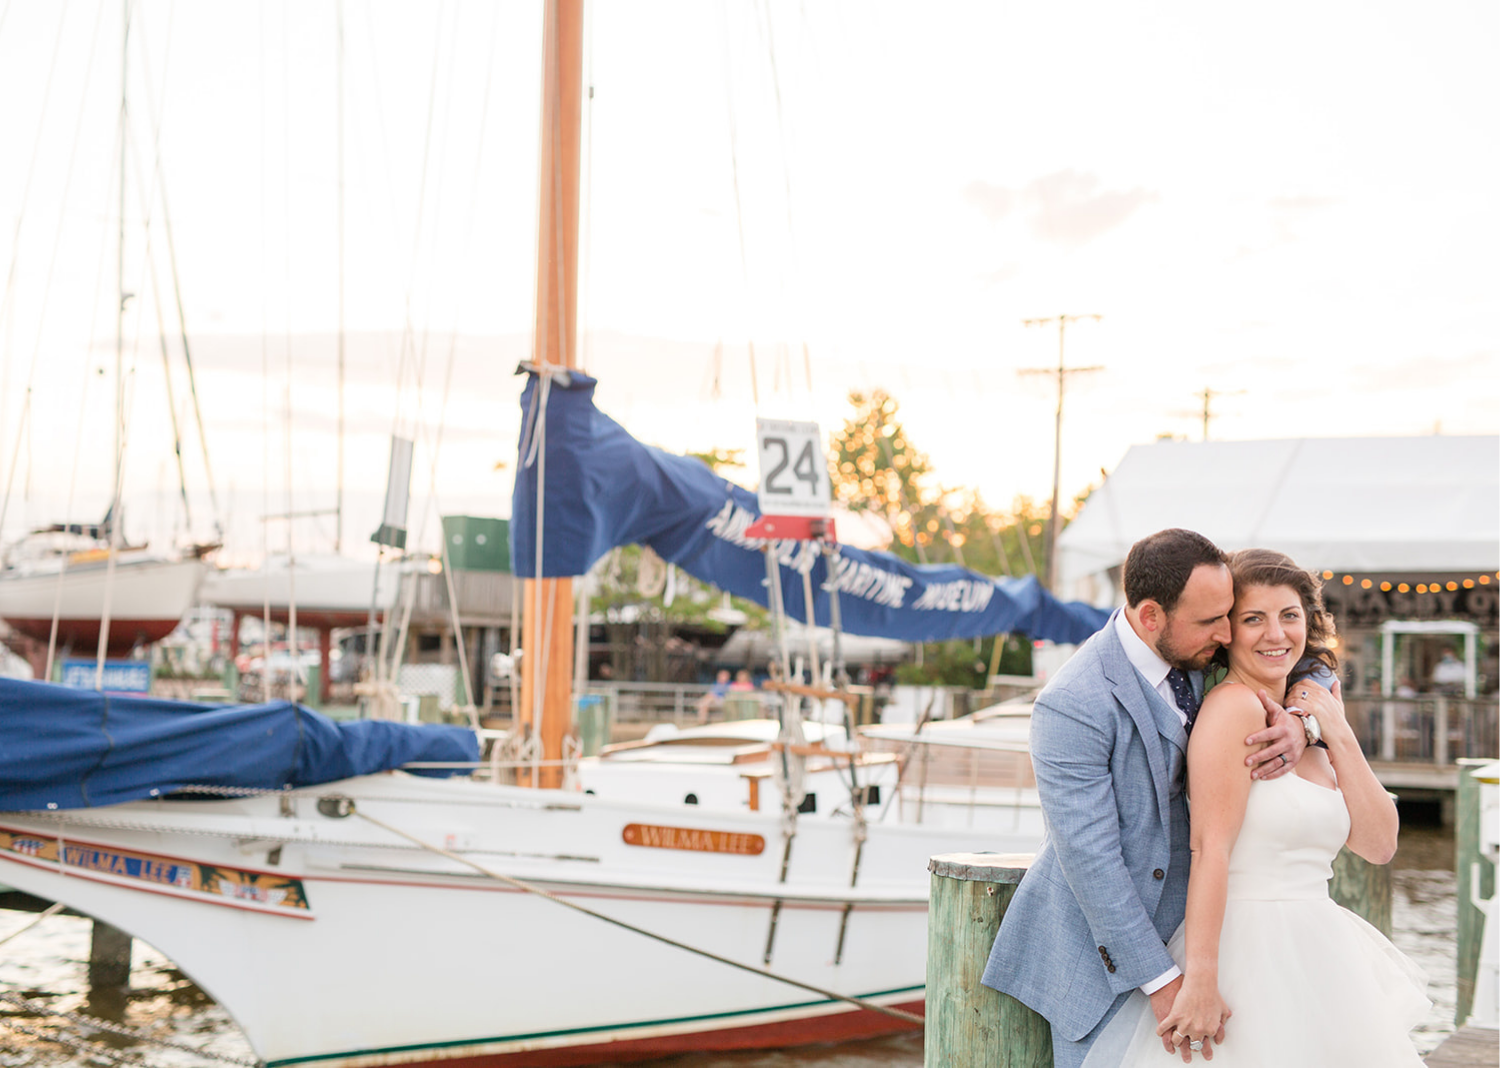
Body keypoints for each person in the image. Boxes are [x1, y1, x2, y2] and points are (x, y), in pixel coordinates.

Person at [1082, 549, 1428, 1065]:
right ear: (1228, 632)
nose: (1275, 634)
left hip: (1321, 950)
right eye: (1253, 619)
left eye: (1289, 616)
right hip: (1248, 949)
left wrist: (1333, 730)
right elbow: (1209, 850)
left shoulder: (1313, 712)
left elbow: (1379, 845)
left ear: (1309, 624)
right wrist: (1201, 978)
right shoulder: (1233, 709)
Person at [980, 529, 1308, 1068]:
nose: (1228, 633)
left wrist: (1303, 723)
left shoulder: (1203, 650)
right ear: (1151, 616)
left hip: (1204, 940)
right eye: (1211, 621)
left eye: (1230, 615)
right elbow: (1091, 860)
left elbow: (1301, 659)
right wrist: (1161, 981)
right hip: (1101, 961)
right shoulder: (1071, 704)